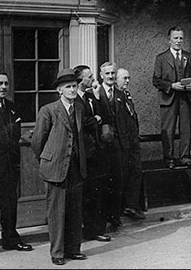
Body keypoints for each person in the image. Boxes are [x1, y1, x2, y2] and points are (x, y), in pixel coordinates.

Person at [31, 68, 88, 265]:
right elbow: (37, 141)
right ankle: (57, 253)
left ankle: (73, 249)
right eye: (68, 87)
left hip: (75, 167)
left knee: (74, 210)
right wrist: (48, 160)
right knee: (56, 212)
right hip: (55, 167)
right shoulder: (48, 110)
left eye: (75, 86)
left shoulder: (79, 108)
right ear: (59, 90)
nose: (73, 90)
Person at [0, 72, 33, 252]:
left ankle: (10, 240)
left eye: (6, 84)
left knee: (9, 203)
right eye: (0, 83)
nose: (4, 87)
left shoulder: (12, 107)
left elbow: (15, 134)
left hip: (9, 163)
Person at [153, 26, 191, 169]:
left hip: (186, 98)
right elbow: (156, 80)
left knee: (186, 128)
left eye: (181, 38)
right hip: (169, 98)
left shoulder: (189, 56)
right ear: (169, 40)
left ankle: (185, 157)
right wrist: (171, 86)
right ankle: (169, 158)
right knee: (168, 129)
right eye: (175, 38)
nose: (178, 41)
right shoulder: (161, 58)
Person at [73, 65, 111, 242]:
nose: (93, 79)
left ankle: (95, 229)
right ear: (80, 81)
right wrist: (94, 120)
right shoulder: (74, 99)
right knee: (86, 194)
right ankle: (88, 230)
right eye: (89, 77)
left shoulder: (89, 96)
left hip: (96, 151)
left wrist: (96, 97)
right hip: (83, 153)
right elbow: (79, 122)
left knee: (97, 192)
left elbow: (104, 114)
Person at [96, 61, 132, 232]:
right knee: (103, 182)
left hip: (119, 145)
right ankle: (102, 219)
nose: (110, 76)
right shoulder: (95, 94)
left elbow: (126, 120)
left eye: (112, 73)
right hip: (102, 146)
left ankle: (115, 217)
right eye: (107, 73)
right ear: (101, 75)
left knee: (118, 182)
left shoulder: (121, 94)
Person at [116, 68, 146, 221]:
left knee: (135, 172)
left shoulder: (126, 95)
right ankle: (124, 207)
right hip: (123, 143)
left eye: (128, 78)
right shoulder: (114, 96)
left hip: (133, 141)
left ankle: (131, 205)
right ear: (116, 79)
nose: (127, 81)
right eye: (124, 78)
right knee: (124, 174)